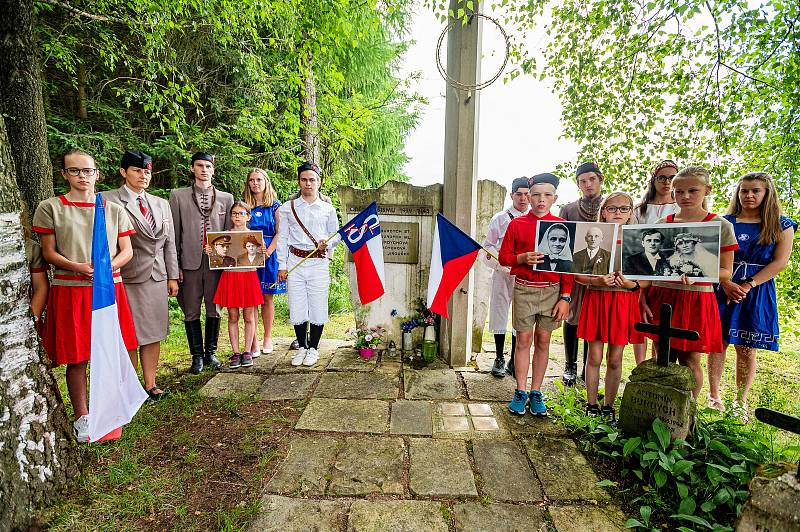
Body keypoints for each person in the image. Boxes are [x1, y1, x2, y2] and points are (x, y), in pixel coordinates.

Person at [33, 149, 137, 442]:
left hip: (108, 289)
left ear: (97, 174)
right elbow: (48, 252)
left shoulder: (113, 208)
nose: (82, 176)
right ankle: (83, 416)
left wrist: (105, 269)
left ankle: (113, 409)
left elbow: (126, 251)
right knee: (77, 356)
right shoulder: (51, 207)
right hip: (72, 289)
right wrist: (78, 266)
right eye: (75, 170)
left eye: (87, 171)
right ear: (64, 174)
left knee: (112, 349)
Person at [639, 166, 738, 399]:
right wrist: (643, 298)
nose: (685, 197)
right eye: (678, 191)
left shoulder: (721, 226)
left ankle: (687, 410)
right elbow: (649, 270)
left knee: (690, 358)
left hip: (695, 298)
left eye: (693, 190)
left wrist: (699, 275)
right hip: (662, 296)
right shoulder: (663, 224)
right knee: (661, 355)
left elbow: (726, 271)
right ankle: (659, 406)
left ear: (707, 190)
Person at [708, 172, 795, 420]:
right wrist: (726, 282)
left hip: (756, 289)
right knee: (717, 343)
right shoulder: (724, 222)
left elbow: (780, 262)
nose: (749, 195)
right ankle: (714, 397)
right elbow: (711, 257)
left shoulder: (781, 224)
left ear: (767, 193)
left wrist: (748, 285)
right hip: (723, 285)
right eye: (744, 190)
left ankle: (740, 401)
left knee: (746, 347)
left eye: (755, 190)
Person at [103, 150, 179, 402]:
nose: (143, 176)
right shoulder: (107, 200)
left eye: (147, 172)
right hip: (126, 275)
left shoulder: (160, 203)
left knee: (154, 331)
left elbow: (169, 243)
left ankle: (151, 383)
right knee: (129, 333)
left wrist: (172, 276)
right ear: (123, 172)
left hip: (157, 276)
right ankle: (129, 385)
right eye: (137, 171)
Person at [499, 173, 573, 416]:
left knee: (543, 341)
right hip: (524, 289)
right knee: (523, 341)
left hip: (552, 292)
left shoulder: (562, 227)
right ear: (528, 197)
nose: (541, 200)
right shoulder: (517, 224)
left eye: (547, 195)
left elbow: (568, 267)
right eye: (536, 195)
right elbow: (503, 257)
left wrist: (565, 297)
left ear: (555, 198)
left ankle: (536, 391)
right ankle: (520, 390)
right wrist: (521, 258)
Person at [576, 193, 645, 423]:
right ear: (603, 211)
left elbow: (647, 279)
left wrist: (631, 284)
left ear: (631, 213)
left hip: (623, 302)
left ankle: (609, 406)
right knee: (594, 356)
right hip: (597, 299)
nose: (618, 212)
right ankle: (591, 403)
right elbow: (578, 275)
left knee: (615, 358)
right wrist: (596, 281)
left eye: (624, 209)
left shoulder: (637, 239)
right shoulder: (593, 235)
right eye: (612, 208)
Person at [169, 151, 234, 374]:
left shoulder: (226, 198)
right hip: (189, 262)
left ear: (213, 170)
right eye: (199, 165)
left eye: (207, 166)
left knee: (214, 308)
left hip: (216, 264)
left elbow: (229, 234)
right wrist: (174, 265)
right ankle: (196, 356)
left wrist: (226, 260)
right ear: (192, 168)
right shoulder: (178, 196)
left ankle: (211, 353)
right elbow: (174, 233)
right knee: (191, 310)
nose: (203, 169)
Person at [276, 162, 340, 367]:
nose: (308, 184)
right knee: (297, 305)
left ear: (319, 182)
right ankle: (302, 347)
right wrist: (281, 266)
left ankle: (314, 348)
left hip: (318, 263)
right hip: (295, 261)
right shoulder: (288, 208)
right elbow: (283, 237)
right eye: (304, 179)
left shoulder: (328, 209)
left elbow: (336, 235)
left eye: (312, 180)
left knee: (317, 304)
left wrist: (327, 243)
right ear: (299, 182)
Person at [559, 161, 604, 385]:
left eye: (592, 179)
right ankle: (570, 364)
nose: (588, 184)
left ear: (600, 179)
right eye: (582, 181)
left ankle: (589, 366)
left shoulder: (610, 206)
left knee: (593, 317)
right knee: (573, 315)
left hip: (600, 272)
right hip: (576, 271)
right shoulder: (569, 209)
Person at [632, 160, 680, 364]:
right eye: (662, 177)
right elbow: (633, 241)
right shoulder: (640, 210)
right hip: (643, 271)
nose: (667, 182)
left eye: (672, 178)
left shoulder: (682, 207)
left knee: (662, 323)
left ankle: (658, 365)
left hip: (670, 271)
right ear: (654, 180)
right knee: (642, 319)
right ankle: (640, 367)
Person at [482, 176, 530, 377]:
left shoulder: (534, 219)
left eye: (527, 194)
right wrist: (501, 265)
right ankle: (499, 357)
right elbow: (488, 247)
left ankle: (514, 359)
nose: (523, 198)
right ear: (512, 195)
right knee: (500, 312)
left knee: (521, 316)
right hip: (503, 273)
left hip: (524, 275)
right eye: (518, 194)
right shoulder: (500, 218)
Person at [211, 202, 264, 369]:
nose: (237, 216)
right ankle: (235, 352)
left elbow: (262, 256)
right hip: (230, 278)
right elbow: (217, 257)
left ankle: (247, 351)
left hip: (249, 277)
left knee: (249, 316)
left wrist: (263, 252)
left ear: (248, 216)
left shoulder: (255, 236)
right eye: (234, 213)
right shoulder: (224, 236)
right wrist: (210, 250)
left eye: (241, 213)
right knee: (233, 316)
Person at [244, 168, 286, 355]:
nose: (255, 183)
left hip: (269, 253)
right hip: (249, 254)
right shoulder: (245, 206)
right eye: (252, 180)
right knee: (251, 298)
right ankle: (253, 341)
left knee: (267, 297)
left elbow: (280, 232)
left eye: (259, 179)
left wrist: (269, 251)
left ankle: (267, 337)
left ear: (266, 182)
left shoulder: (276, 206)